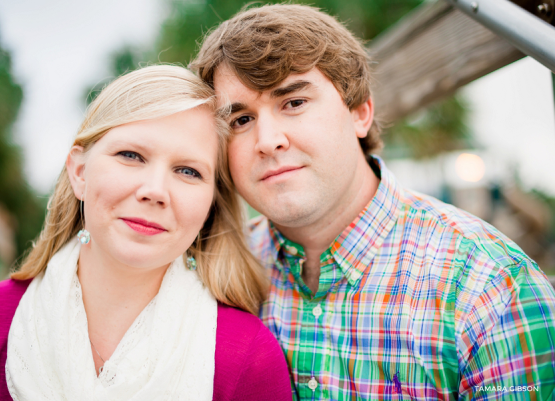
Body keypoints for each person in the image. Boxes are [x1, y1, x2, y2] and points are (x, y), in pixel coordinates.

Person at [191, 4, 555, 400]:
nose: (267, 140)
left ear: (360, 112)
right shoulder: (209, 276)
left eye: (293, 102)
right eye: (241, 120)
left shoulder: (491, 287)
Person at [0, 65, 292, 401]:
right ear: (80, 171)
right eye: (131, 155)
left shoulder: (250, 358)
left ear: (210, 206)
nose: (155, 190)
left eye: (188, 171)